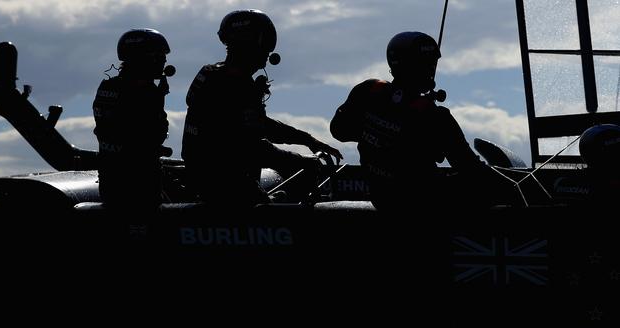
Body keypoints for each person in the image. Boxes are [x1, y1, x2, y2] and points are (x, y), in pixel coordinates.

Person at [181, 9, 343, 207]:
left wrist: (307, 140)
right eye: (265, 46)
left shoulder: (209, 74)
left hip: (201, 173)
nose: (268, 54)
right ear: (255, 44)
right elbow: (254, 145)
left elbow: (257, 128)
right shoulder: (236, 85)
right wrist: (302, 159)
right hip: (227, 182)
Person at [330, 31, 497, 213]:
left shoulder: (369, 90)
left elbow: (339, 131)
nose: (431, 70)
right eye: (425, 64)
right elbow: (470, 169)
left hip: (381, 197)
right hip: (422, 204)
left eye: (432, 64)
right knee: (486, 186)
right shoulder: (435, 116)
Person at [93, 28, 173, 214]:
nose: (164, 62)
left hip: (109, 177)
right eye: (159, 56)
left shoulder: (108, 86)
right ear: (144, 57)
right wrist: (157, 98)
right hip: (140, 180)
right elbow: (156, 133)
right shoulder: (146, 92)